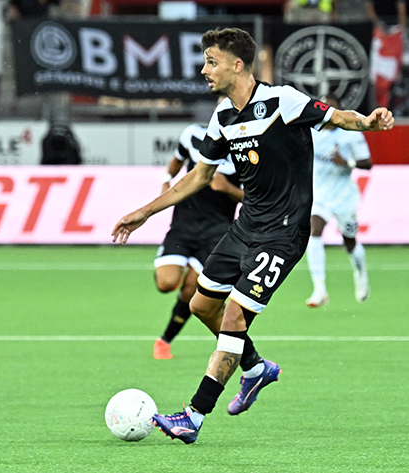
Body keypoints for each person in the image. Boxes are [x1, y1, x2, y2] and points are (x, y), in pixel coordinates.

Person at [112, 27, 393, 444]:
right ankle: (256, 367)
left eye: (212, 62)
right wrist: (144, 212)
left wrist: (368, 122)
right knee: (201, 304)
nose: (204, 70)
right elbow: (199, 176)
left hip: (283, 233)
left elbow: (337, 117)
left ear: (237, 64)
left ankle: (194, 416)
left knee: (234, 315)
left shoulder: (282, 101)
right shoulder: (223, 116)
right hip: (245, 228)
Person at [152, 123, 243, 360]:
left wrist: (228, 188)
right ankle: (182, 269)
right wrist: (167, 178)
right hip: (184, 225)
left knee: (193, 290)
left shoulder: (246, 145)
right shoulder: (194, 134)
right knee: (165, 283)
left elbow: (254, 197)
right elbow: (177, 159)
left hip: (216, 231)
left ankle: (164, 341)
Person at [306, 95, 373, 307]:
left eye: (331, 109)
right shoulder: (311, 131)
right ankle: (319, 289)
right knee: (314, 231)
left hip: (344, 197)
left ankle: (360, 272)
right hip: (319, 195)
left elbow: (368, 163)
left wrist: (347, 161)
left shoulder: (351, 134)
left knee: (349, 241)